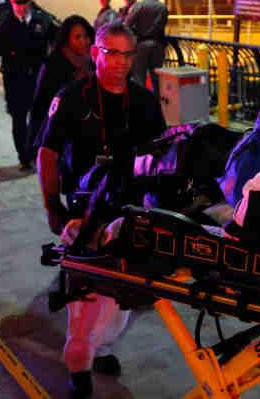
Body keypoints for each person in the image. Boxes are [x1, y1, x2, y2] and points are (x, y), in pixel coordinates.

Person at [37, 21, 166, 398]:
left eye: (128, 54)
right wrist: (51, 204)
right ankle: (79, 364)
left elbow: (158, 154)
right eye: (112, 53)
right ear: (95, 52)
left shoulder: (143, 101)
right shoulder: (72, 97)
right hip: (83, 210)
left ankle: (104, 347)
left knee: (122, 291)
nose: (121, 63)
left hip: (127, 209)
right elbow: (48, 153)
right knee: (86, 296)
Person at [0, 0, 59, 170]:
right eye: (17, 3)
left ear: (29, 2)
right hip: (14, 78)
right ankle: (24, 156)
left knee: (39, 117)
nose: (21, 7)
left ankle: (35, 152)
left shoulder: (43, 20)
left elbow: (58, 42)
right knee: (18, 117)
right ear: (11, 2)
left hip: (39, 78)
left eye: (25, 3)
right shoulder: (3, 23)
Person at [28, 15, 95, 159]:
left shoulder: (94, 60)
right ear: (66, 40)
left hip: (90, 132)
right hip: (62, 135)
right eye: (77, 37)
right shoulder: (53, 64)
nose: (83, 41)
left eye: (86, 36)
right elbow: (40, 103)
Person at [125, 0, 168, 95]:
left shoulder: (138, 6)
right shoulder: (162, 7)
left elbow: (127, 25)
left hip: (141, 46)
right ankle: (158, 107)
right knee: (157, 80)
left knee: (139, 79)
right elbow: (161, 26)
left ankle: (142, 107)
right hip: (158, 46)